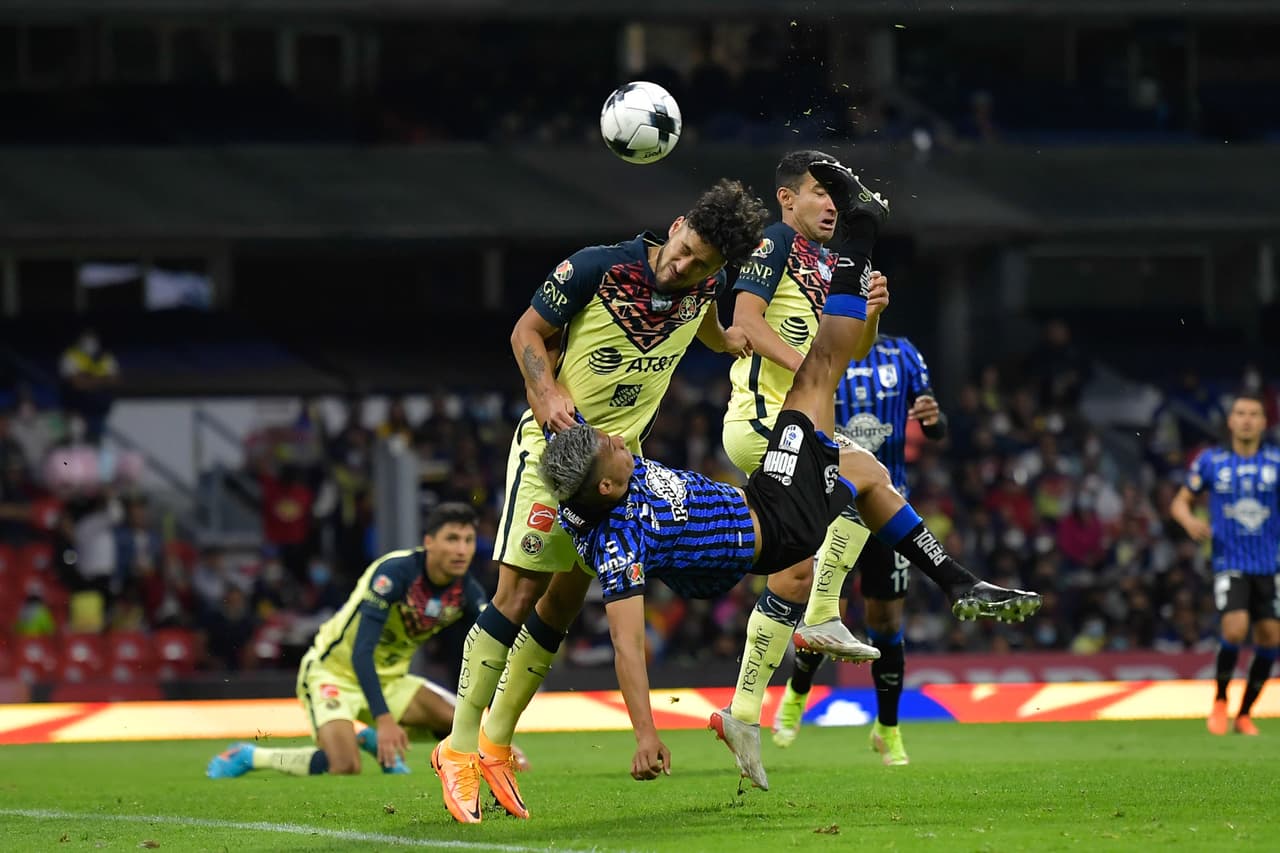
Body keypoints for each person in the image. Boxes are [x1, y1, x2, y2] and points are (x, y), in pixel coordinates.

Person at [539, 165, 1041, 788]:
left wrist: (560, 386)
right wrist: (645, 733)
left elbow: (582, 486)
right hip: (770, 501)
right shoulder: (617, 543)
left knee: (865, 474)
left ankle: (949, 586)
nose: (619, 440)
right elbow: (626, 645)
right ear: (607, 487)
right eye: (609, 452)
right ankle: (833, 610)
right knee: (820, 375)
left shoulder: (607, 490)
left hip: (765, 508)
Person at [432, 179, 768, 824]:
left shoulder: (701, 290)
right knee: (517, 591)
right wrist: (545, 391)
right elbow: (525, 332)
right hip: (554, 454)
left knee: (564, 597)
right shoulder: (596, 267)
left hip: (621, 471)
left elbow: (703, 325)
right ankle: (457, 745)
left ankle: (496, 743)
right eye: (686, 248)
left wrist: (727, 341)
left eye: (703, 263)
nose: (685, 265)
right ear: (675, 226)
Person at [715, 151, 1030, 787]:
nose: (831, 204)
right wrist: (800, 371)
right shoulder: (775, 242)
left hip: (799, 424)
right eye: (818, 194)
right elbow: (744, 321)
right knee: (865, 474)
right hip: (762, 420)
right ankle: (952, 584)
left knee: (799, 568)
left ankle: (744, 712)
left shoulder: (829, 263)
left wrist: (873, 314)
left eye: (838, 196)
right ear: (786, 200)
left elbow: (849, 350)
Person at [206, 502, 497, 779]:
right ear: (429, 541)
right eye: (452, 539)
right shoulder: (395, 573)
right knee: (344, 765)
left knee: (460, 723)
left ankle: (365, 736)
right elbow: (362, 651)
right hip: (332, 674)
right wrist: (384, 719)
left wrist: (494, 739)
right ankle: (249, 756)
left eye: (469, 540)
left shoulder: (467, 591)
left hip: (390, 680)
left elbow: (488, 647)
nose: (462, 550)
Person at [772, 333, 946, 766]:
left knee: (886, 620)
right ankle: (797, 692)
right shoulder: (824, 348)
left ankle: (887, 728)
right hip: (834, 505)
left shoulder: (904, 352)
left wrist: (931, 417)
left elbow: (936, 428)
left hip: (890, 508)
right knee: (825, 609)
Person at [1170, 391, 1280, 736]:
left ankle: (1244, 713)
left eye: (1254, 414)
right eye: (1241, 413)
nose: (1247, 419)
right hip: (1229, 561)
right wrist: (1190, 522)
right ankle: (1220, 701)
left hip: (1270, 566)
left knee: (1270, 639)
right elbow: (1180, 503)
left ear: (1264, 422)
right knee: (1234, 629)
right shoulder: (1211, 462)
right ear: (1230, 421)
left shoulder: (1276, 463)